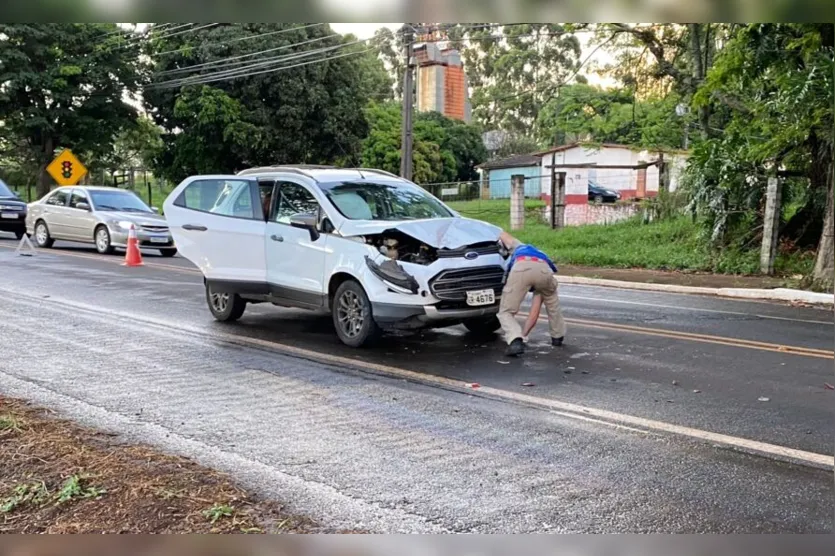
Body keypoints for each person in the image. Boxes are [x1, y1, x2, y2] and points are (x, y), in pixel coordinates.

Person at [497, 231, 566, 357]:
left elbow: (500, 233)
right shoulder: (537, 252)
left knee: (506, 311)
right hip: (544, 271)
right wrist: (525, 334)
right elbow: (534, 313)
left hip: (521, 269)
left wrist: (520, 337)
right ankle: (558, 336)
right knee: (552, 301)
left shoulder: (516, 248)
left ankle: (514, 340)